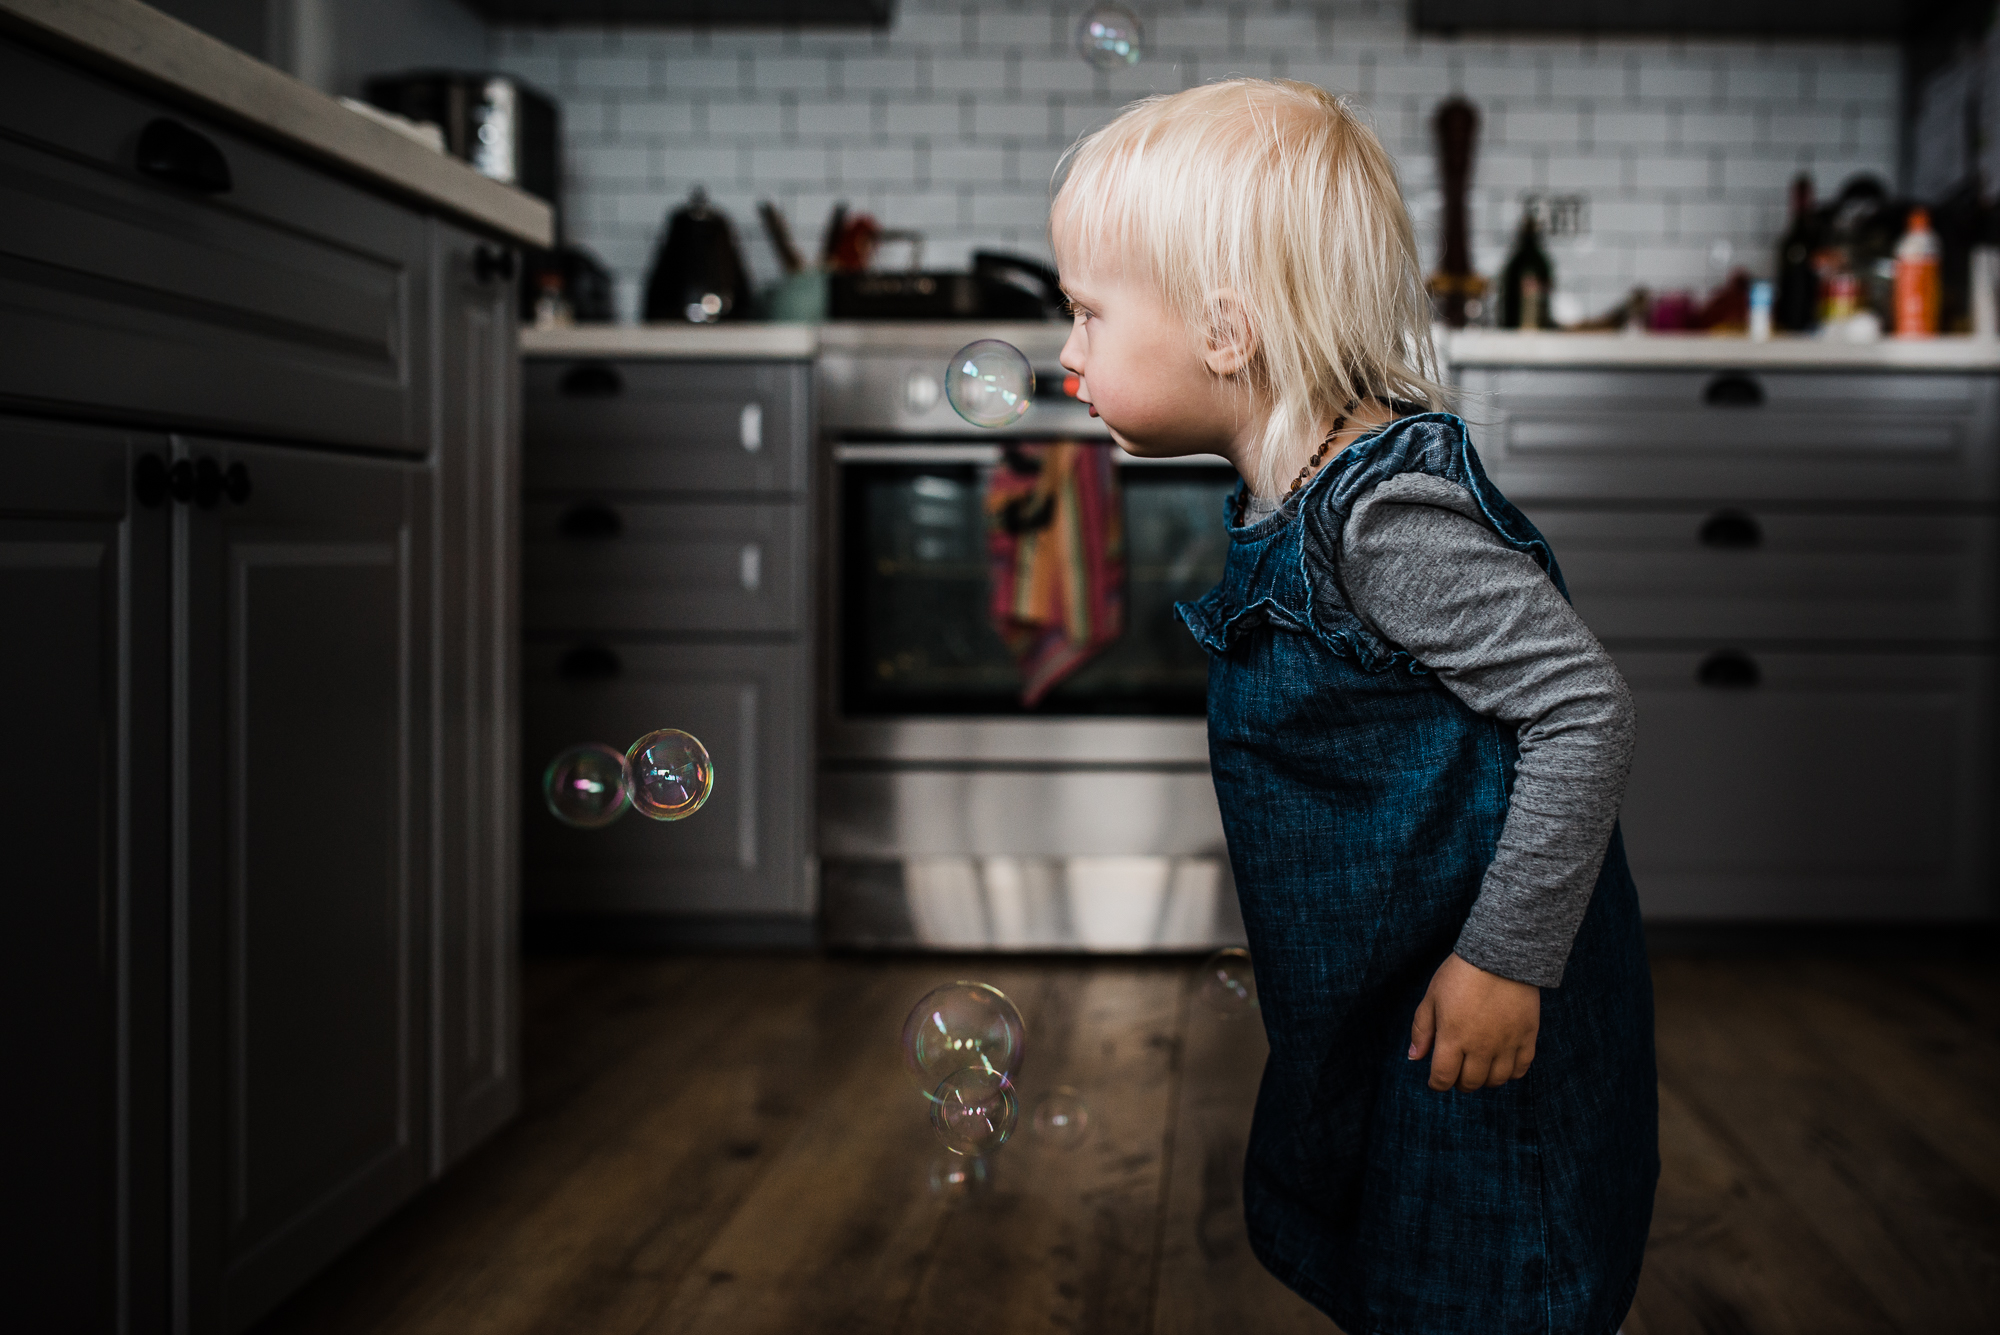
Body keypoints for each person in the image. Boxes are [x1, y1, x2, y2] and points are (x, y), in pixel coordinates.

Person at [1050, 80, 1657, 1333]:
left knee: (1491, 1278)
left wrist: (1504, 959)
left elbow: (1580, 709)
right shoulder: (1291, 493)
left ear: (1225, 333)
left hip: (1476, 998)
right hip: (1383, 992)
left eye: (1087, 313)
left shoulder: (1382, 520)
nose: (1066, 353)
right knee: (1398, 1257)